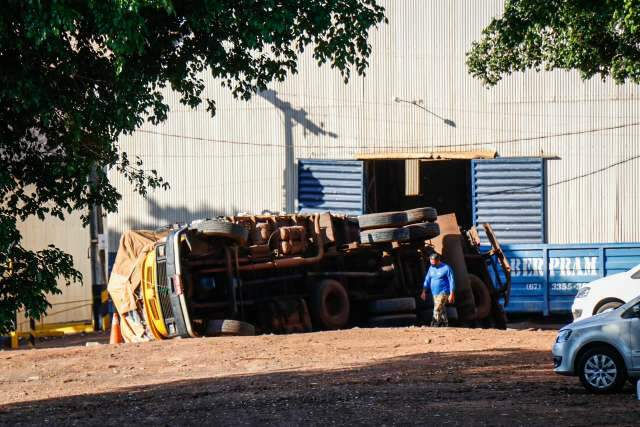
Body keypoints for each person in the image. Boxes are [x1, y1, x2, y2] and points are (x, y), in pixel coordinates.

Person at [420, 252, 455, 327]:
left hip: (444, 292)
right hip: (434, 293)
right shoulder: (431, 268)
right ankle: (445, 324)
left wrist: (452, 294)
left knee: (437, 309)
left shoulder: (446, 268)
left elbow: (451, 281)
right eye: (431, 263)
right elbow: (427, 279)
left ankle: (434, 325)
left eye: (434, 263)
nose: (432, 265)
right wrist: (424, 291)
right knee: (442, 309)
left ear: (438, 261)